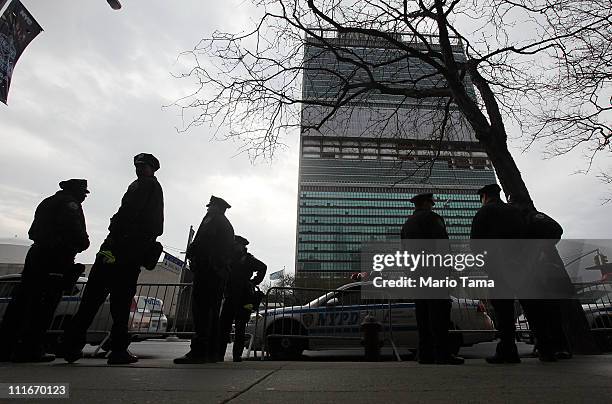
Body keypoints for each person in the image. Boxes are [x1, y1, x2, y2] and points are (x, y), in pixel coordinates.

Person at [63, 153, 164, 365]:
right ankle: (117, 350)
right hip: (126, 252)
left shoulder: (141, 186)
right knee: (119, 303)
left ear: (151, 168)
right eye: (137, 165)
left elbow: (127, 214)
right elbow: (140, 218)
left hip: (116, 248)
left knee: (93, 300)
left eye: (142, 165)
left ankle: (71, 345)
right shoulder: (147, 186)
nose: (138, 168)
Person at [0, 179, 90, 362]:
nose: (84, 197)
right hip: (55, 258)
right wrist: (83, 243)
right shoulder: (70, 205)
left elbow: (33, 231)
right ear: (76, 191)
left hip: (37, 254)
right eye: (83, 193)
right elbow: (76, 232)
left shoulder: (48, 202)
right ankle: (30, 348)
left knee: (22, 301)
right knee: (44, 304)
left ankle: (6, 347)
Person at [470, 183, 560, 363]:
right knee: (534, 310)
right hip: (524, 268)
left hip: (499, 269)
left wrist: (486, 265)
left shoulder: (484, 213)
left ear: (485, 197)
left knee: (504, 311)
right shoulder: (517, 211)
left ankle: (508, 351)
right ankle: (546, 349)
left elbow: (476, 245)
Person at [401, 192, 464, 365]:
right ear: (427, 203)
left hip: (416, 274)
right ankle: (442, 354)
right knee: (440, 313)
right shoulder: (433, 218)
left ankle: (425, 354)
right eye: (431, 203)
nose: (433, 205)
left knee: (422, 314)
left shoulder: (407, 223)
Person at [174, 195, 234, 364]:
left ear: (215, 207)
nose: (207, 209)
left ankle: (199, 351)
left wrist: (192, 252)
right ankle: (211, 352)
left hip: (208, 271)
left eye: (210, 206)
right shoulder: (226, 224)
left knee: (201, 311)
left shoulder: (212, 220)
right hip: (217, 273)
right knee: (212, 313)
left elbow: (202, 242)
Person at [218, 235, 267, 362]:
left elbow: (263, 267)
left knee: (240, 326)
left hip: (245, 296)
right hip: (230, 295)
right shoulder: (228, 257)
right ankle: (219, 354)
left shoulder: (248, 259)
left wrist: (253, 282)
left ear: (242, 246)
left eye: (236, 244)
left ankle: (237, 355)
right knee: (224, 325)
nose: (234, 246)